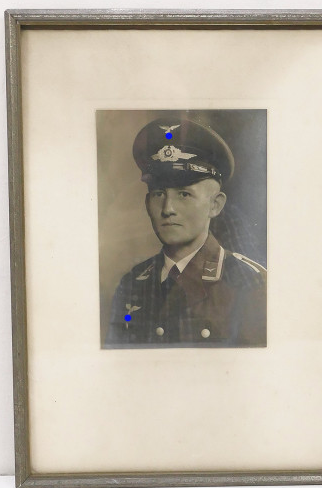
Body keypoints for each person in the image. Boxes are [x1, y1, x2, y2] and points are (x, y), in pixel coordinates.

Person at [105, 117, 267, 348]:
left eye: (184, 194)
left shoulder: (248, 281)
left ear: (215, 205)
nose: (167, 209)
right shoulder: (132, 284)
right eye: (159, 193)